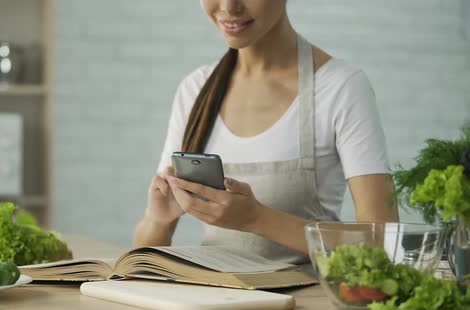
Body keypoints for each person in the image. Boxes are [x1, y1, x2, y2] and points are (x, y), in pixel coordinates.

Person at [134, 0, 399, 263]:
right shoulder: (195, 90)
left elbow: (380, 242)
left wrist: (256, 219)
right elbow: (143, 256)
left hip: (308, 302)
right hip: (216, 299)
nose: (228, 6)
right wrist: (158, 220)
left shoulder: (340, 88)